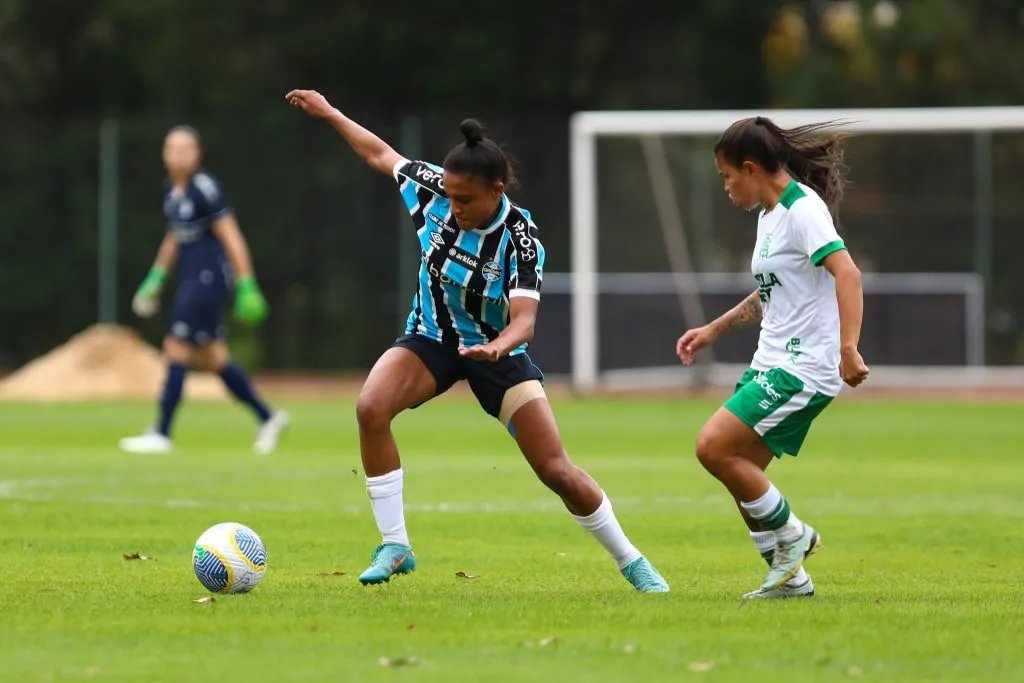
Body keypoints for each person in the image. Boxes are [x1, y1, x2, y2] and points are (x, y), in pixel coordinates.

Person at [286, 88, 668, 592]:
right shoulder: (434, 190)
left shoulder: (521, 239)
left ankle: (632, 562)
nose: (454, 206)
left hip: (498, 353)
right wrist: (330, 112)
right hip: (431, 339)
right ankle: (395, 545)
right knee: (370, 408)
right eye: (449, 195)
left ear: (497, 190)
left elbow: (525, 321)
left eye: (465, 200)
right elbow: (380, 154)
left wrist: (497, 346)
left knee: (554, 468)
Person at [676, 116, 869, 599]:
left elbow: (848, 274)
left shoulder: (803, 210)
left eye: (726, 176)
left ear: (750, 168)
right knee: (742, 473)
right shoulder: (770, 215)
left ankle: (795, 537)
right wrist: (713, 330)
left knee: (712, 447)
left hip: (802, 368)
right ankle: (790, 579)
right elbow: (771, 293)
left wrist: (849, 348)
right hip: (772, 362)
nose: (726, 187)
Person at [119, 126, 290, 455]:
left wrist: (247, 282)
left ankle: (163, 432)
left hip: (208, 279)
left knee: (175, 346)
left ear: (197, 154)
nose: (179, 155)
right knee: (214, 358)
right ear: (164, 154)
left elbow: (231, 235)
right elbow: (174, 237)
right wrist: (155, 277)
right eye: (173, 149)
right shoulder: (171, 190)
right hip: (190, 278)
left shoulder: (204, 188)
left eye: (186, 149)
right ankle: (268, 417)